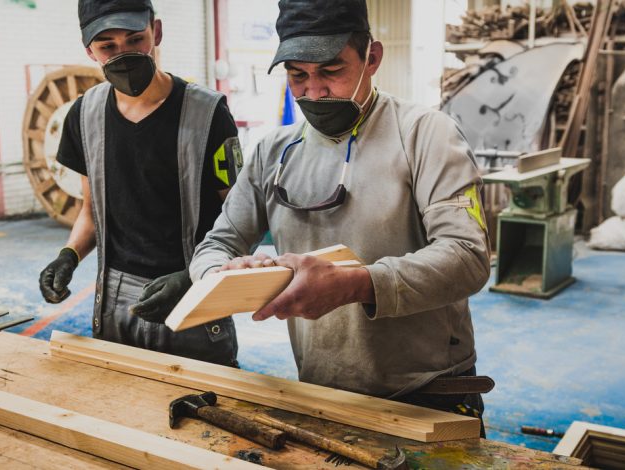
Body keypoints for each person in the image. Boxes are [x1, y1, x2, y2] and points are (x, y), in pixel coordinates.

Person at [186, 0, 491, 430]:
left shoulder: (426, 135)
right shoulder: (274, 153)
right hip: (320, 392)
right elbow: (217, 244)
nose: (313, 91)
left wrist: (357, 284)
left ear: (372, 58)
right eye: (297, 75)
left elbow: (467, 256)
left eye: (330, 71)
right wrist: (222, 275)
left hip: (426, 393)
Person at [39, 0, 241, 366]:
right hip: (117, 300)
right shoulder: (84, 117)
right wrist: (68, 255)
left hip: (192, 293)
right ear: (89, 50)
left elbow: (240, 218)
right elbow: (91, 209)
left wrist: (195, 276)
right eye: (108, 46)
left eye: (135, 40)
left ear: (157, 32)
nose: (124, 54)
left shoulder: (208, 114)